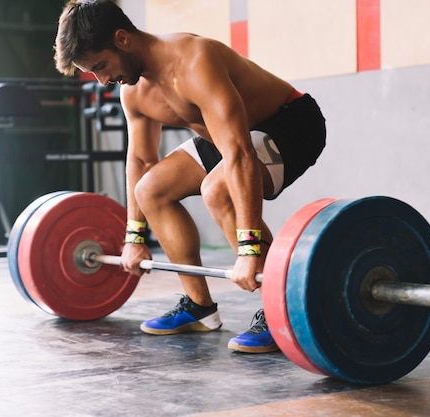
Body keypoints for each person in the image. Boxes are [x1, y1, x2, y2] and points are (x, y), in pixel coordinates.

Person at [54, 0, 326, 353]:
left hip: (291, 121)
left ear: (122, 39)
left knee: (217, 190)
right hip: (226, 134)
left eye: (101, 66)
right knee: (150, 190)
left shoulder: (194, 61)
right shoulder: (133, 92)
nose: (103, 80)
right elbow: (139, 159)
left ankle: (282, 310)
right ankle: (199, 307)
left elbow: (240, 153)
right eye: (93, 72)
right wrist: (134, 237)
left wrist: (248, 249)